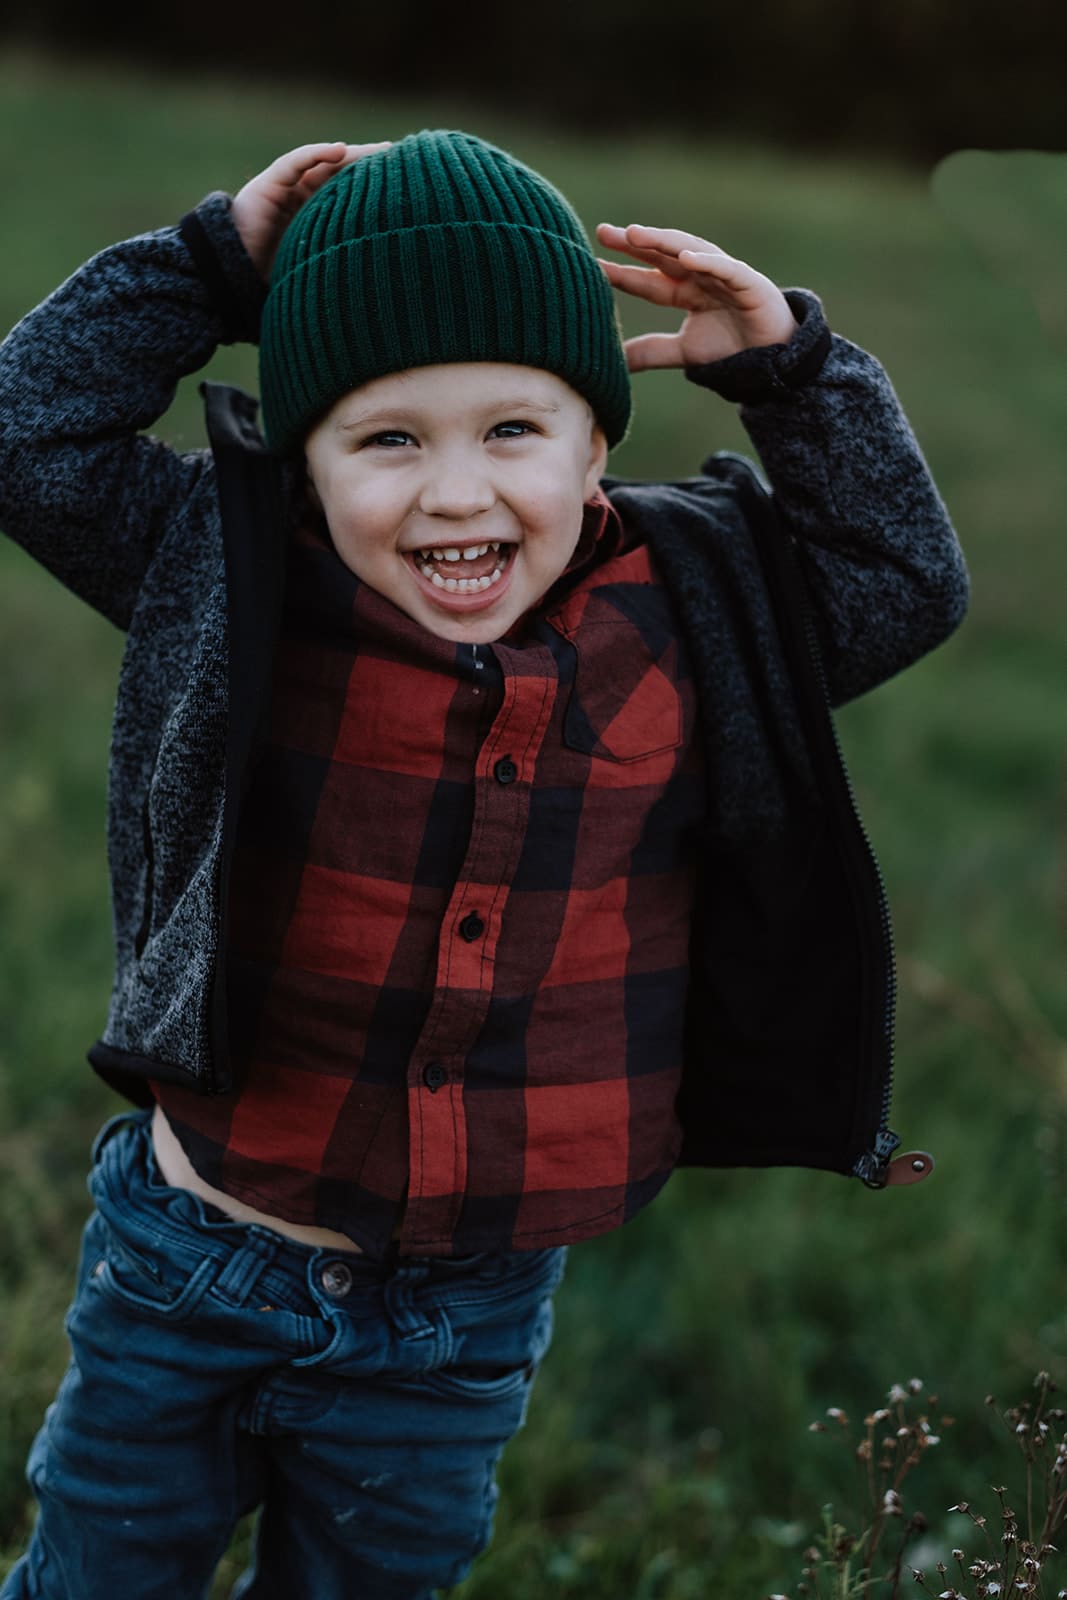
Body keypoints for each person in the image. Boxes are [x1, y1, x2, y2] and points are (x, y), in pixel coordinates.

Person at [0, 131, 967, 1599]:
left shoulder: (691, 612)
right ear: (305, 461)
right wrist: (207, 268)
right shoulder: (233, 570)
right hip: (195, 1252)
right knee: (98, 1577)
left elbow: (904, 578)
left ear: (596, 449)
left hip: (464, 1312)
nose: (457, 496)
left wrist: (792, 373)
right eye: (387, 440)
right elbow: (27, 432)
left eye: (513, 430)